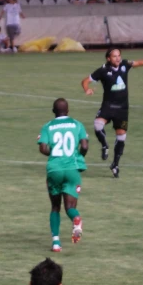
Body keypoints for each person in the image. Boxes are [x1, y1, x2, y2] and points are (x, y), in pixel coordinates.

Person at [81, 47, 143, 178]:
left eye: (119, 55)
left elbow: (138, 63)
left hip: (122, 108)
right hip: (108, 106)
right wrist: (87, 89)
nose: (118, 58)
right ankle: (104, 145)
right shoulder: (103, 70)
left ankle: (115, 164)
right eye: (114, 56)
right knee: (98, 126)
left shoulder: (125, 65)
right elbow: (85, 81)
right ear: (108, 58)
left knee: (121, 137)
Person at [38, 98, 89, 252]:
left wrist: (53, 152)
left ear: (53, 111)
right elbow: (85, 145)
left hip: (54, 169)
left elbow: (43, 148)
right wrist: (79, 156)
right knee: (70, 207)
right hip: (72, 169)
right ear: (68, 110)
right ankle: (75, 218)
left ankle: (56, 243)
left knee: (55, 206)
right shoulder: (77, 124)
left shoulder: (47, 126)